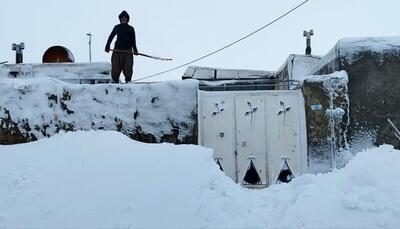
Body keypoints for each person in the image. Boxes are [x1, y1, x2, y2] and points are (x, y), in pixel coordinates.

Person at [105, 10, 138, 83]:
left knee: (128, 67)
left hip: (127, 51)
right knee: (116, 67)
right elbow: (111, 37)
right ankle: (115, 81)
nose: (124, 19)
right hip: (117, 51)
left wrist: (135, 50)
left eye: (125, 17)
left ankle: (128, 81)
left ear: (127, 19)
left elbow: (133, 40)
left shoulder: (131, 28)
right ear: (120, 19)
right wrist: (107, 45)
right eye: (122, 17)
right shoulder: (117, 27)